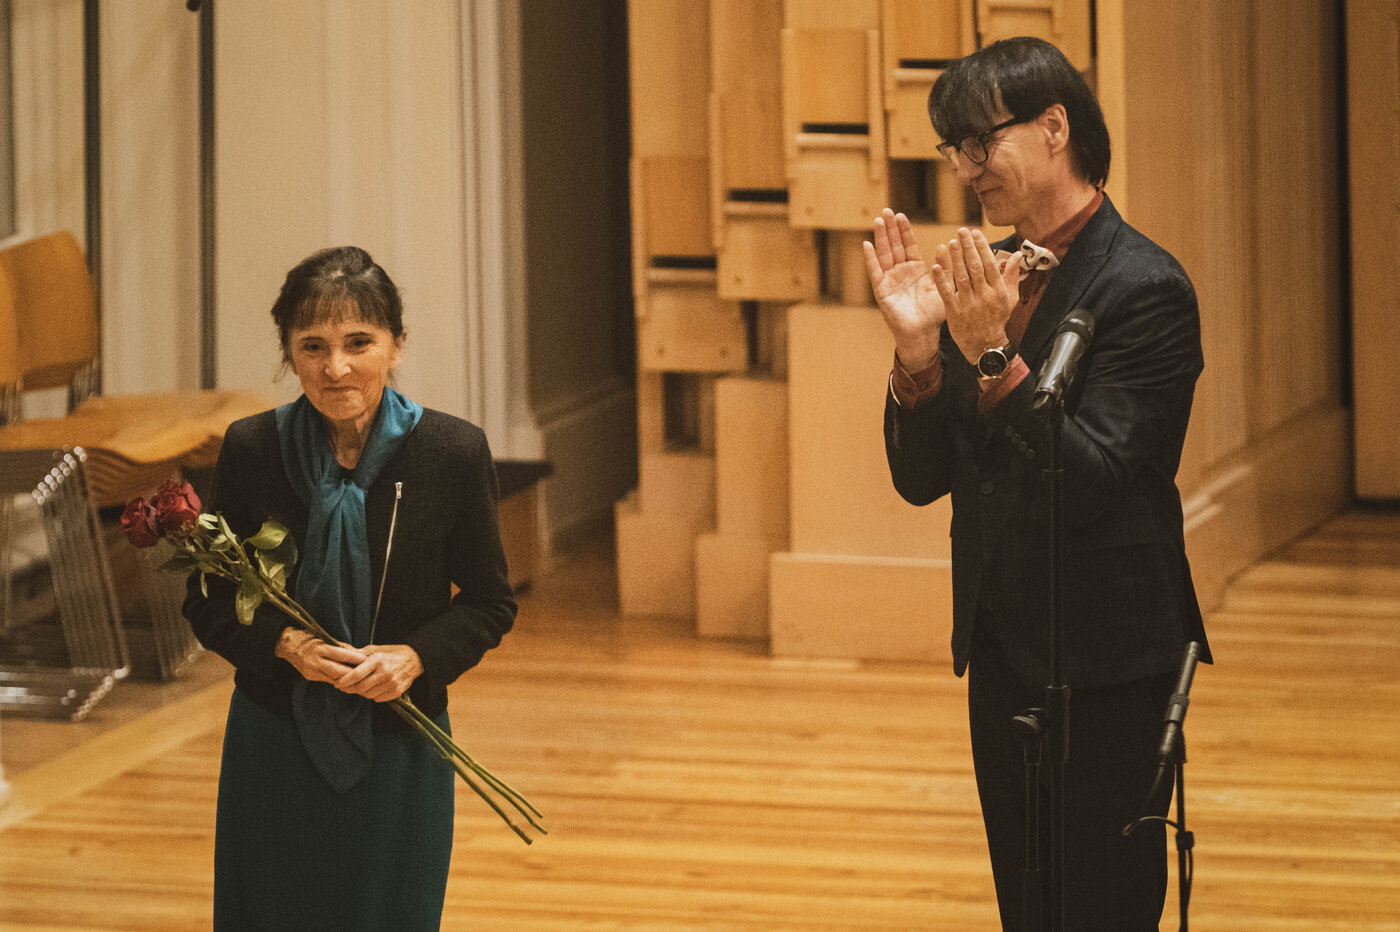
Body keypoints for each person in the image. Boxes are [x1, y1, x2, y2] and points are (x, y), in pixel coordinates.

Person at [864, 37, 1211, 930]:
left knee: (1102, 905)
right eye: (954, 148)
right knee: (1027, 905)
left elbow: (1090, 482)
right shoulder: (986, 276)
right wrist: (916, 359)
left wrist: (991, 353)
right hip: (1004, 652)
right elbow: (919, 477)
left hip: (1108, 661)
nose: (965, 167)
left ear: (1055, 126)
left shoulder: (1148, 287)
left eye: (981, 141)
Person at [183, 246, 517, 930]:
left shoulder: (453, 453)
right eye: (313, 346)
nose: (336, 368)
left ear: (396, 345)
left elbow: (489, 602)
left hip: (400, 742)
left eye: (358, 342)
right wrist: (287, 647)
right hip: (273, 738)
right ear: (289, 354)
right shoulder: (251, 448)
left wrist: (415, 657)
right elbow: (207, 599)